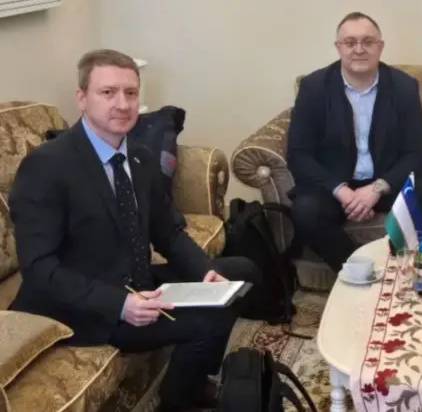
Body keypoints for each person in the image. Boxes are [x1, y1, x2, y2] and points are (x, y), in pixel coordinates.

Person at [7, 49, 262, 412]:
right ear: (82, 98)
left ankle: (190, 379)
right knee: (210, 319)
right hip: (79, 304)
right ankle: (179, 400)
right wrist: (120, 305)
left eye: (130, 93)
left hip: (134, 280)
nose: (122, 104)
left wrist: (204, 272)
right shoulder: (47, 166)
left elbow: (167, 231)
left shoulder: (140, 157)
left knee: (239, 272)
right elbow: (39, 267)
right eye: (107, 92)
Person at [286, 12, 422, 270]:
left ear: (380, 47)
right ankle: (361, 268)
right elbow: (299, 154)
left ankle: (396, 263)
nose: (359, 49)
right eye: (350, 42)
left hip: (385, 183)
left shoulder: (403, 87)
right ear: (338, 47)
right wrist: (343, 192)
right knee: (305, 211)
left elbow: (417, 152)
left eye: (368, 42)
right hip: (334, 187)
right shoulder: (314, 87)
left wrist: (375, 189)